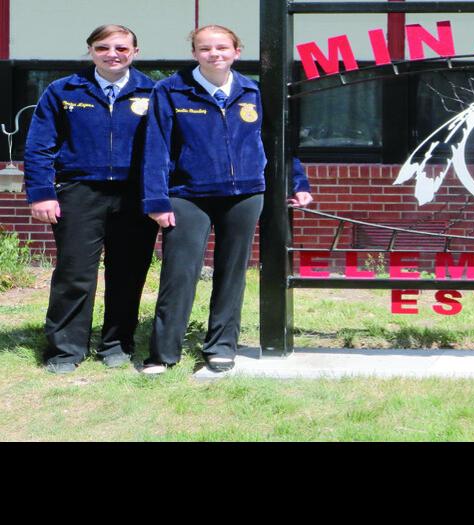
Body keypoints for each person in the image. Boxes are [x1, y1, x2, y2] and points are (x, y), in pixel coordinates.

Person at [141, 25, 312, 374]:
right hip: (187, 196)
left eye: (222, 47)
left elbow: (279, 143)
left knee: (232, 272)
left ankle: (221, 346)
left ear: (236, 51)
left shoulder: (253, 91)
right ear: (194, 53)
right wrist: (156, 199)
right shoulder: (170, 91)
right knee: (179, 273)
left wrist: (298, 182)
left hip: (245, 194)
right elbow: (155, 148)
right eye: (205, 48)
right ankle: (163, 354)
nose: (214, 54)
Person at [24, 25, 158, 374]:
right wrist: (42, 193)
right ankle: (65, 351)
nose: (112, 53)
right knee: (74, 274)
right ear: (90, 51)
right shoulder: (63, 90)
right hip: (79, 192)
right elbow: (39, 147)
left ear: (135, 52)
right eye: (103, 47)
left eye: (121, 48)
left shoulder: (154, 92)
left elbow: (168, 148)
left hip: (135, 196)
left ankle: (116, 345)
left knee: (127, 274)